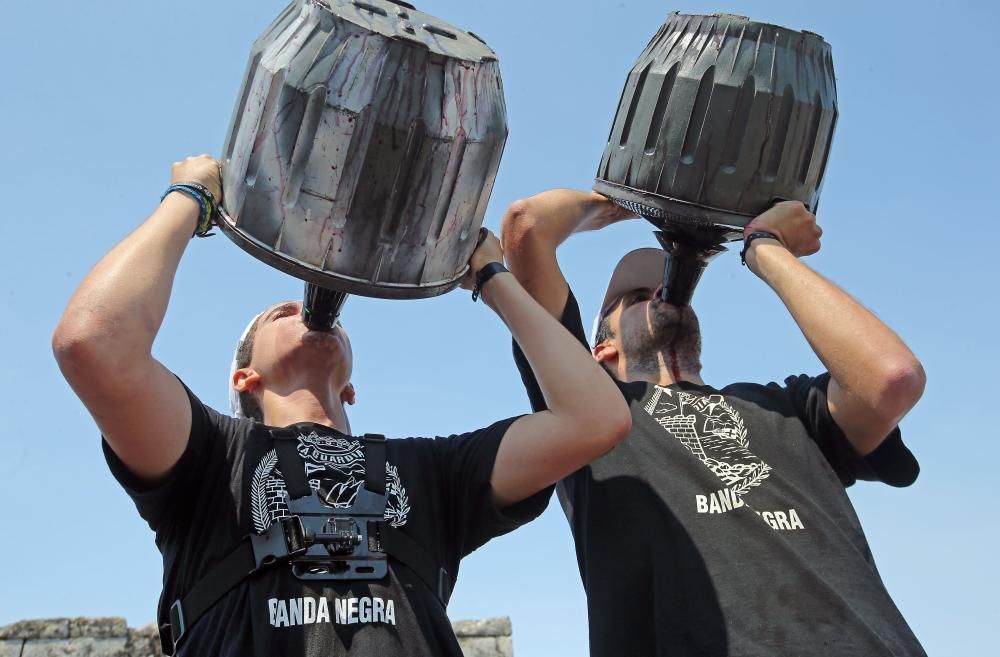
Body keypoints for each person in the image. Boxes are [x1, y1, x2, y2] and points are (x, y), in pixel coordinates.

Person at [51, 156, 631, 657]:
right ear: (245, 377)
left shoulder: (429, 474)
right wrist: (191, 199)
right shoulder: (208, 459)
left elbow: (595, 419)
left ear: (351, 385)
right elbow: (94, 343)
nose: (299, 311)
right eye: (280, 314)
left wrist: (491, 276)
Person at [501, 189, 928, 656]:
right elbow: (528, 227)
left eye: (663, 288)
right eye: (640, 296)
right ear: (602, 349)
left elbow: (892, 379)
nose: (664, 292)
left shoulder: (785, 405)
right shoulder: (589, 416)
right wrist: (644, 197)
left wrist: (765, 247)